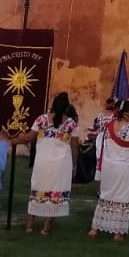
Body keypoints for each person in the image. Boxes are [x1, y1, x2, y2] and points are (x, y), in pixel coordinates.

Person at [13, 91, 79, 236]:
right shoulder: (71, 124)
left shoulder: (41, 120)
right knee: (56, 194)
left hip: (42, 162)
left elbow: (29, 137)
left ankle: (29, 226)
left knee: (37, 191)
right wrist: (74, 165)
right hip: (61, 165)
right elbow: (74, 147)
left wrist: (15, 139)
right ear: (67, 107)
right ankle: (46, 228)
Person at [90, 100, 129, 241]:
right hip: (126, 168)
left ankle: (95, 229)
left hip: (109, 168)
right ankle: (118, 233)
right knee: (123, 198)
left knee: (106, 196)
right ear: (126, 114)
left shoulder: (108, 126)